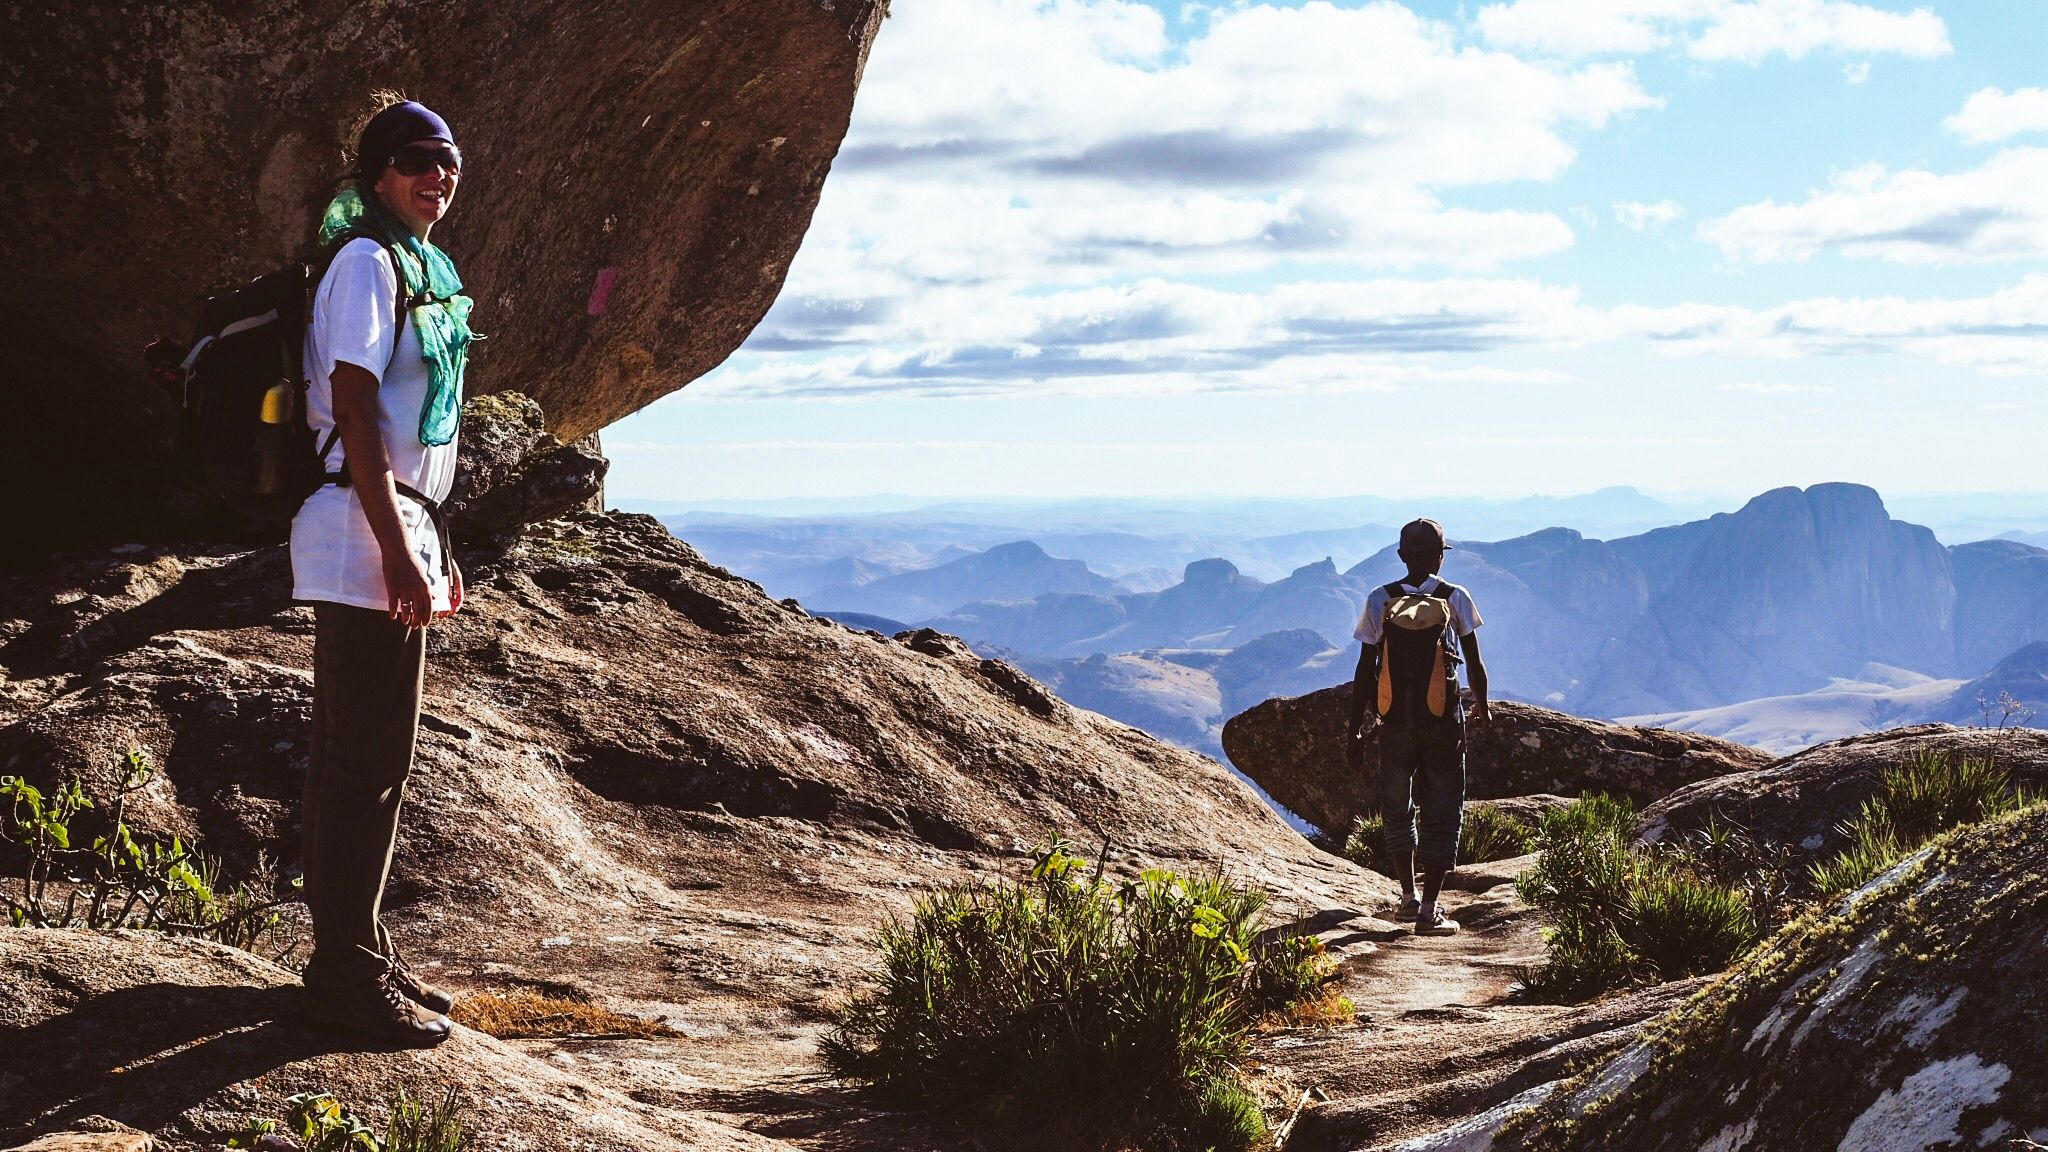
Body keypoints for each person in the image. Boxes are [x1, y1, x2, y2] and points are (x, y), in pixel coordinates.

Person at [291, 97, 475, 1045]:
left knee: (358, 762)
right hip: (364, 534)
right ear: (376, 175)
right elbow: (355, 409)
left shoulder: (415, 264)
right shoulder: (367, 261)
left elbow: (410, 433)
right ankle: (345, 978)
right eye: (414, 160)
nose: (436, 176)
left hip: (391, 527)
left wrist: (433, 547)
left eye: (448, 161)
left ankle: (359, 954)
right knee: (367, 767)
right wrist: (399, 555)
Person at [1346, 519, 1490, 937]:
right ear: (1440, 556)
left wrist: (1355, 729)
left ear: (1401, 555)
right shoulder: (1455, 596)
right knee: (1444, 807)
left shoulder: (1380, 599)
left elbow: (1364, 669)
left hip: (1393, 720)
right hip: (1442, 720)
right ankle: (1430, 910)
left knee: (1397, 806)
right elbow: (1474, 661)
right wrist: (1482, 706)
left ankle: (1407, 899)